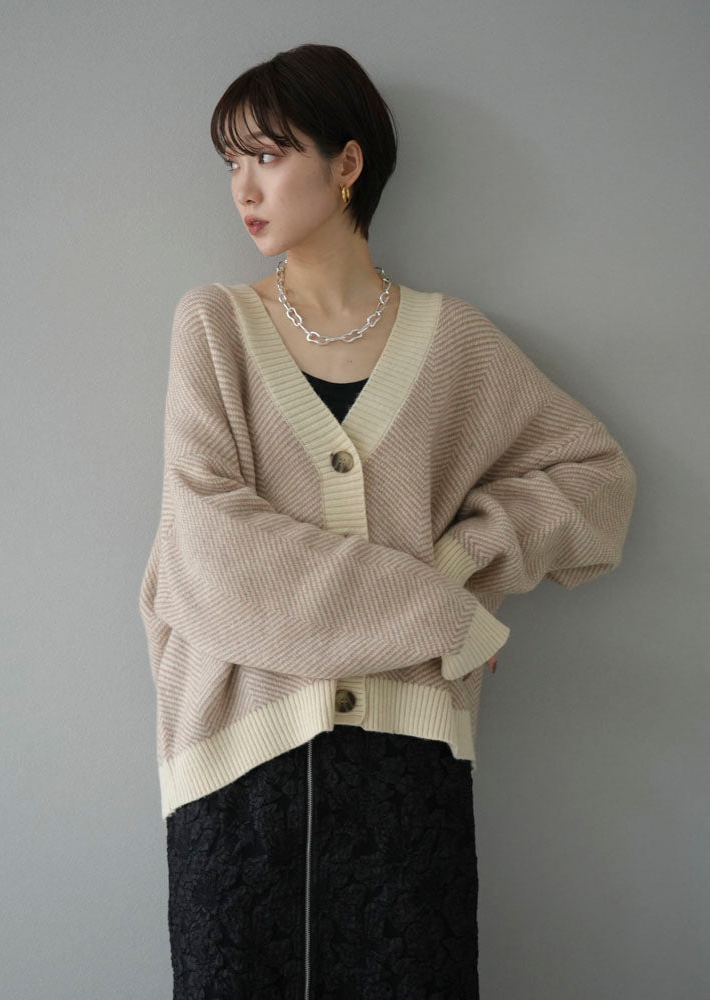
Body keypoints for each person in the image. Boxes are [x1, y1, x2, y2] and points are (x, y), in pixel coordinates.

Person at [140, 43, 637, 1000]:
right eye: (230, 161)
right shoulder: (214, 326)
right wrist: (435, 614)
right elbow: (209, 546)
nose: (243, 187)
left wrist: (464, 561)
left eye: (268, 154)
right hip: (238, 767)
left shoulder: (454, 343)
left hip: (409, 763)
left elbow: (595, 479)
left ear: (347, 163)